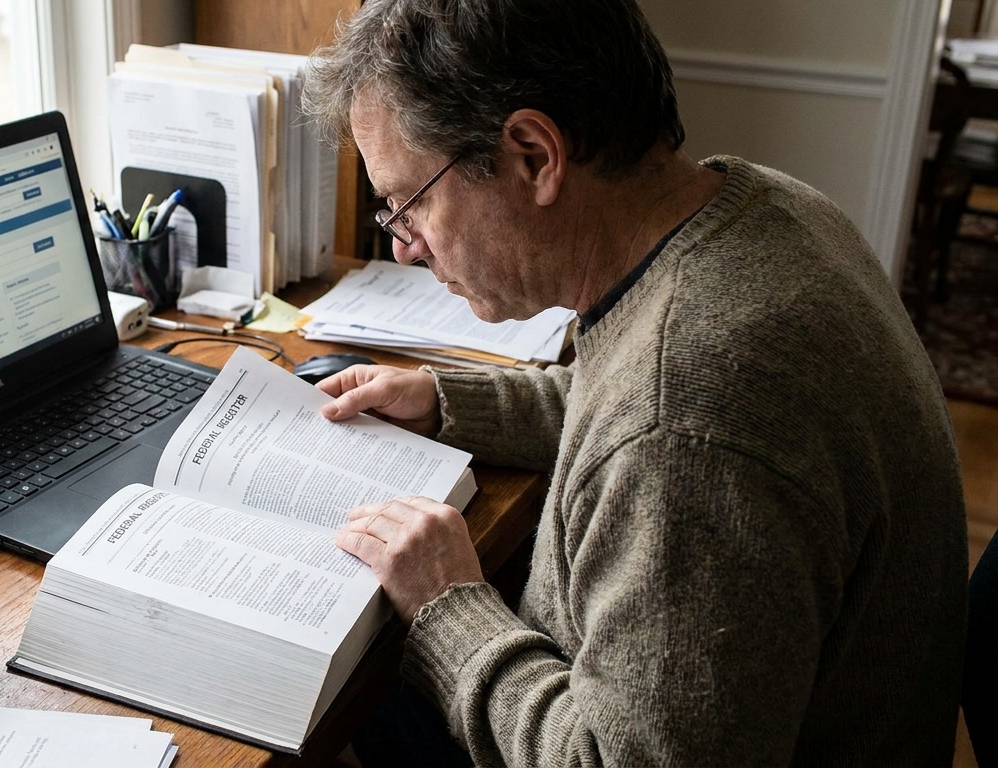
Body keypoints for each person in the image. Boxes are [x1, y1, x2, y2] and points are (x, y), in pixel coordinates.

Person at [301, 0, 969, 765]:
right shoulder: (760, 210)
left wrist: (449, 609)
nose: (408, 248)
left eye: (407, 204)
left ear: (533, 156)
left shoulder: (689, 429)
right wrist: (448, 402)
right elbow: (622, 395)